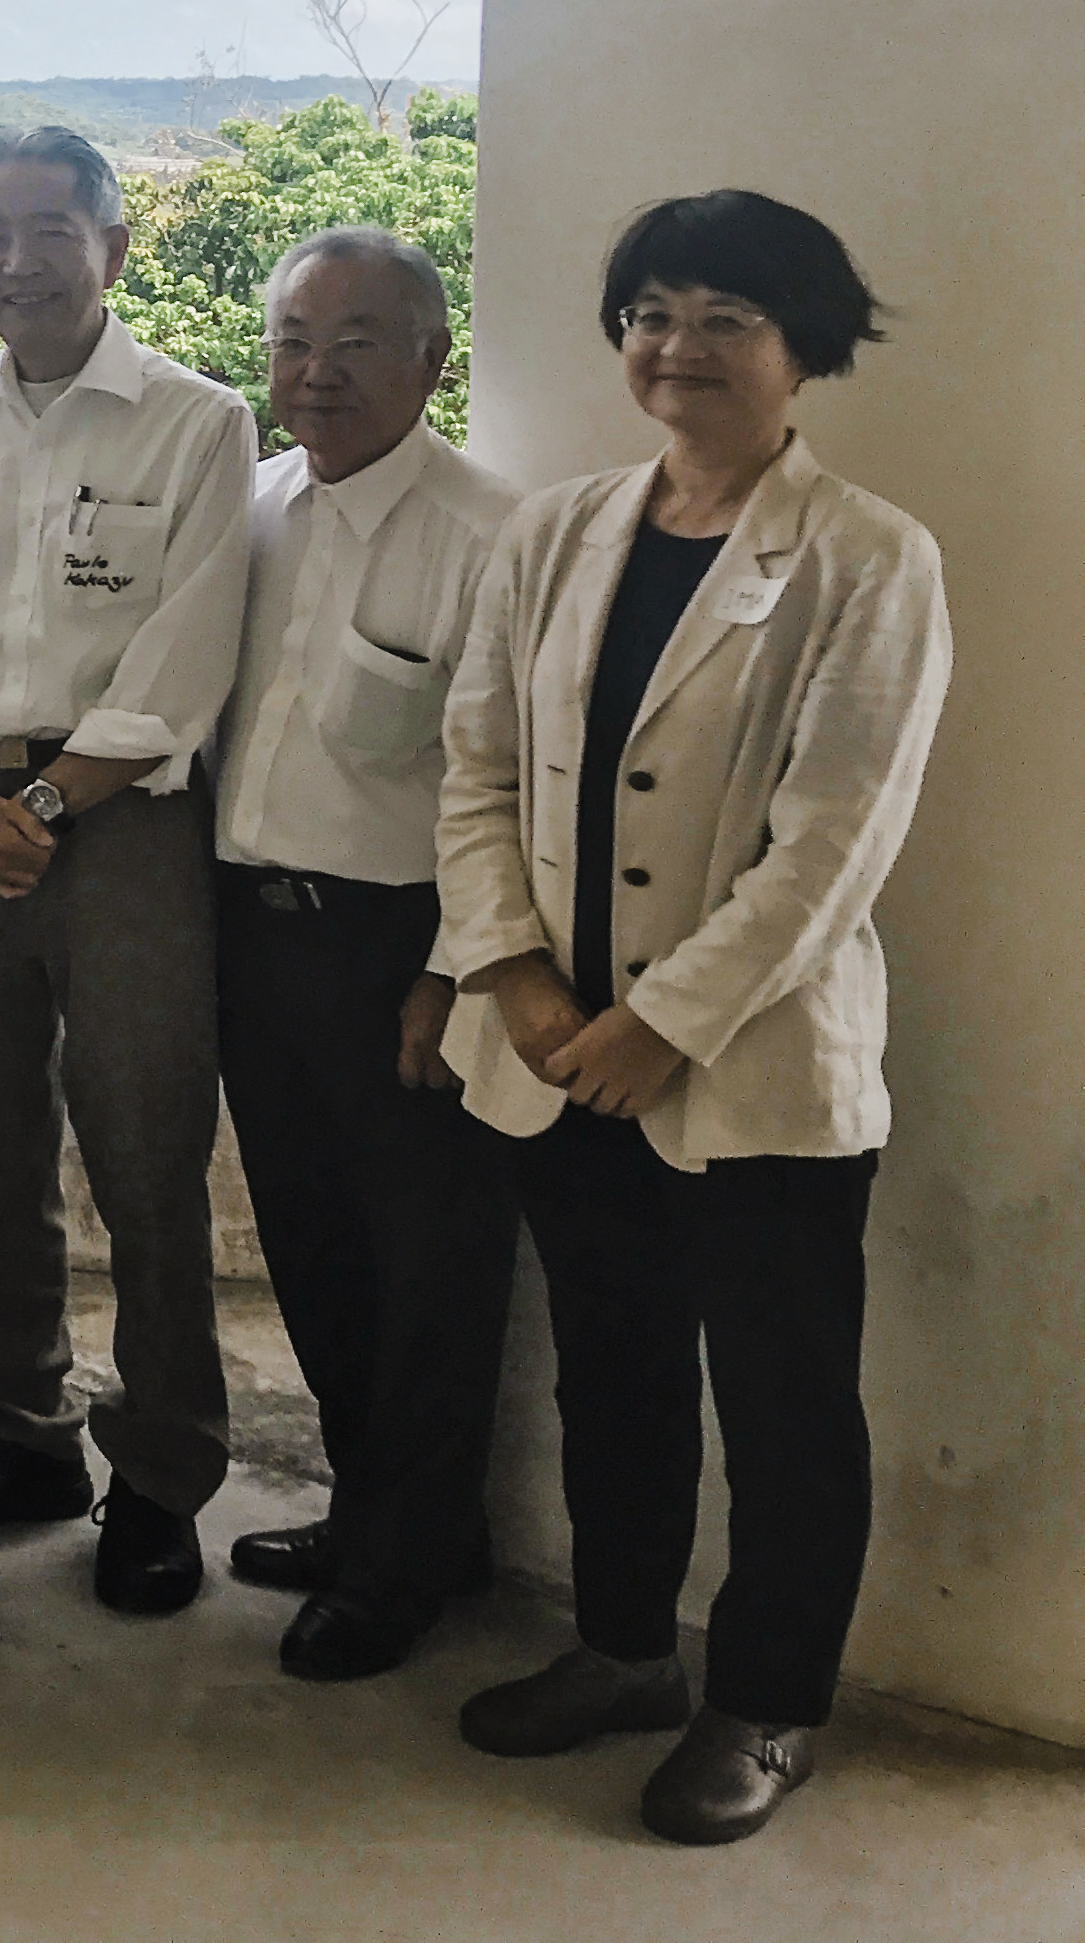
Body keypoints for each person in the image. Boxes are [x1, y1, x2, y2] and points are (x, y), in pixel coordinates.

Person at [433, 193, 949, 1847]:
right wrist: (511, 973)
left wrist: (663, 1020)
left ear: (805, 343)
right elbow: (476, 771)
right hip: (556, 1050)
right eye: (650, 309)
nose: (677, 345)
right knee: (614, 1368)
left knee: (784, 1398)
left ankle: (771, 1699)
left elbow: (835, 839)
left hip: (750, 1067)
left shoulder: (869, 554)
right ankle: (621, 1648)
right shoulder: (556, 529)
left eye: (725, 313)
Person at [0, 125, 253, 1616]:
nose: (15, 261)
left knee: (147, 1148)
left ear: (114, 247)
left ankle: (160, 1473)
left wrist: (50, 797)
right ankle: (17, 1429)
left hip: (128, 824)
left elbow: (192, 643)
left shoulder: (196, 421)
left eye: (46, 230)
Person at [211, 228, 520, 1681]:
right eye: (291, 341)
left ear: (430, 360)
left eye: (354, 342)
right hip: (253, 937)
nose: (315, 372)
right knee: (316, 1255)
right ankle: (372, 1515)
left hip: (404, 950)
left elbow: (505, 781)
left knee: (431, 1273)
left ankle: (412, 1560)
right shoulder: (255, 506)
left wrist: (453, 973)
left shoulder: (488, 534)